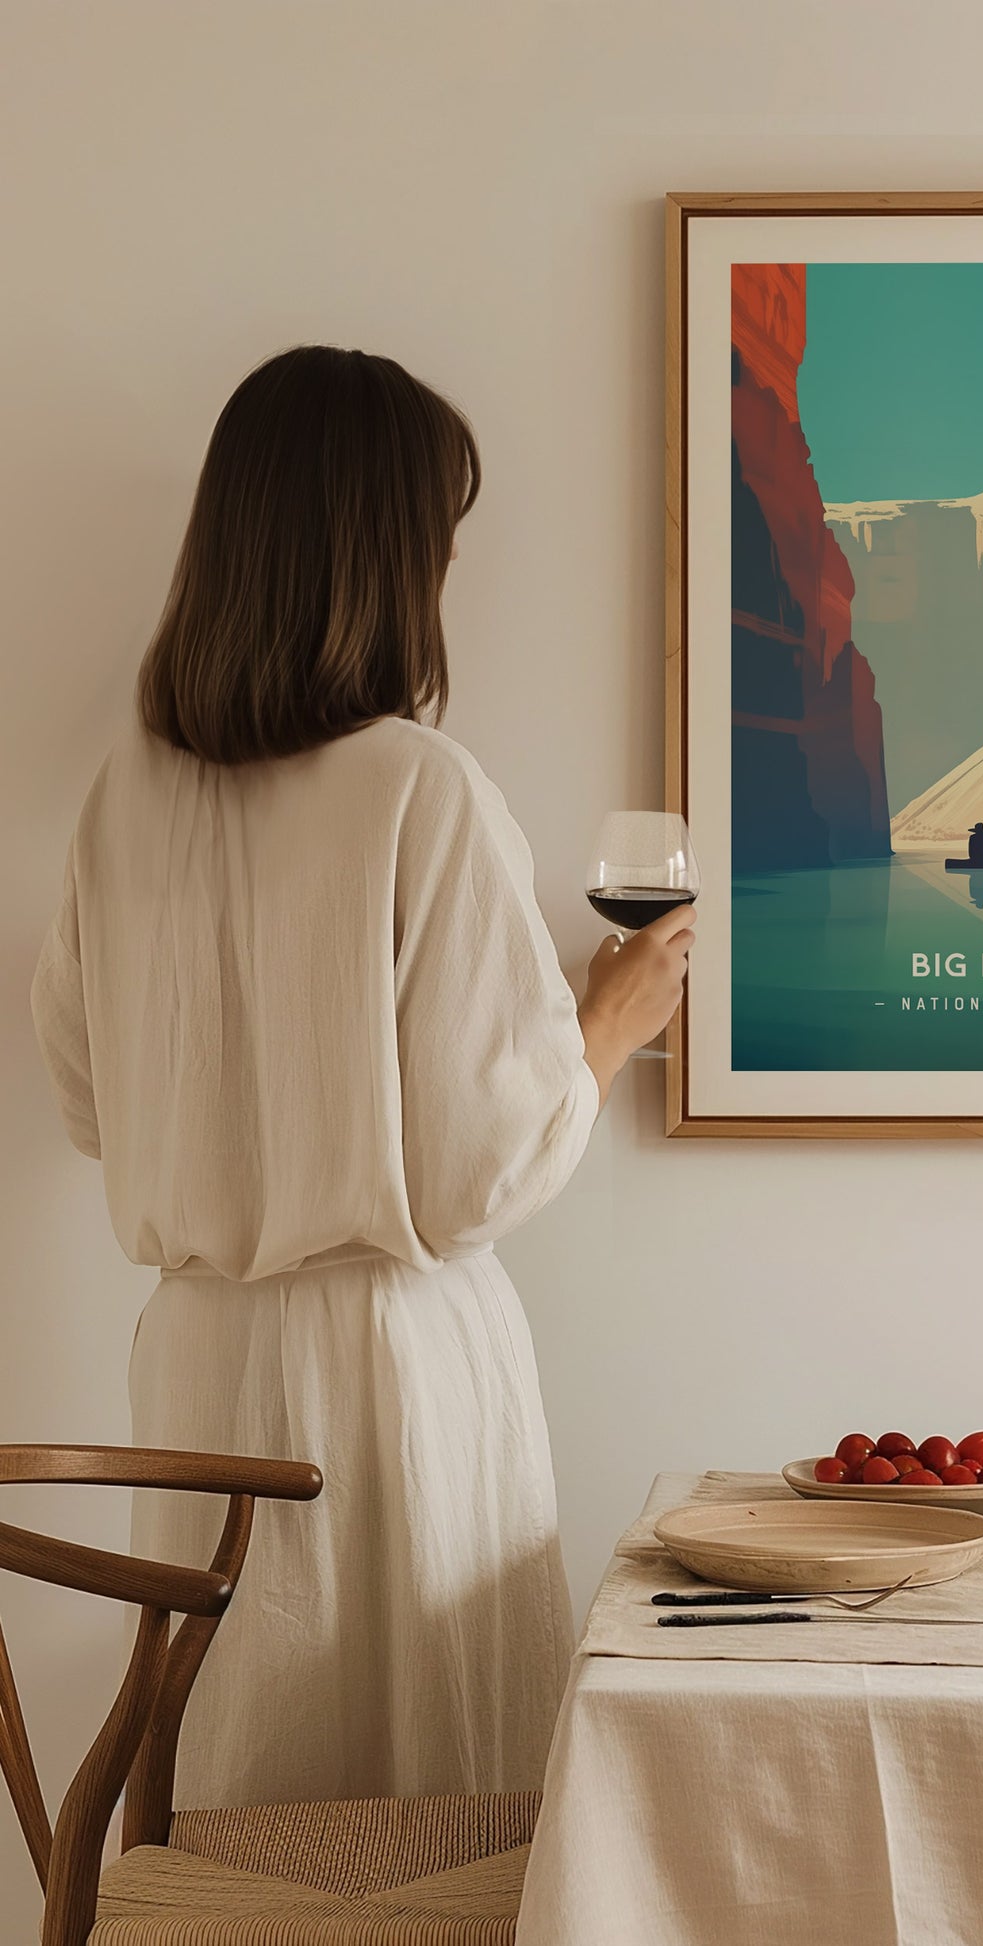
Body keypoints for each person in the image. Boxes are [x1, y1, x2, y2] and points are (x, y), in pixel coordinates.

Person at [29, 345, 690, 1807]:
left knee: (240, 1793)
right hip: (390, 1374)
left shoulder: (122, 799)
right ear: (387, 557)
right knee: (424, 1813)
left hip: (197, 1362)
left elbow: (88, 1100)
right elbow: (474, 1172)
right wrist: (606, 1019)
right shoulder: (417, 786)